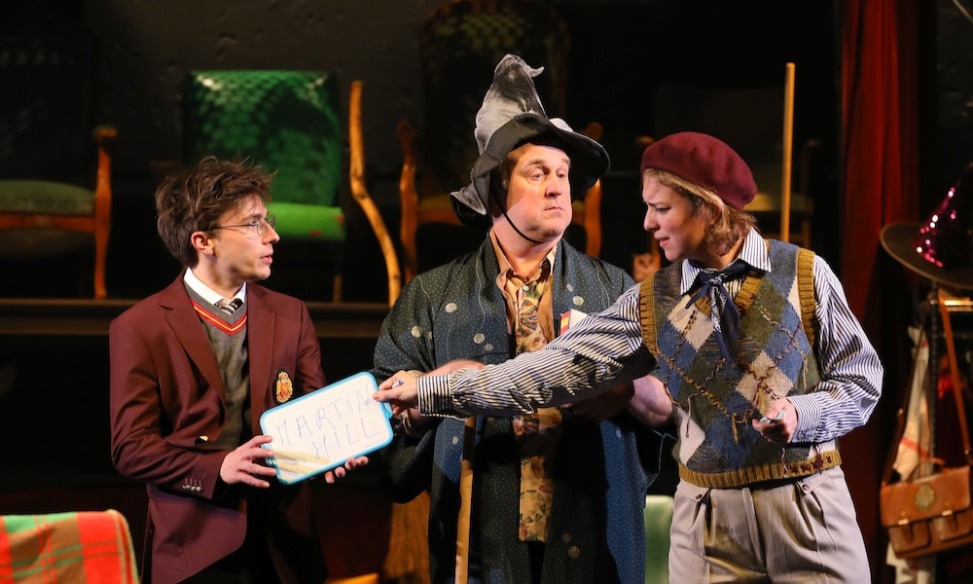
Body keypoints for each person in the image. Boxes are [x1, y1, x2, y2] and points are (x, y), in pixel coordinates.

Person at [376, 131, 884, 582]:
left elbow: (862, 380)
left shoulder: (802, 273)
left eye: (661, 209)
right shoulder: (652, 301)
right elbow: (546, 373)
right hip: (708, 525)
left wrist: (802, 413)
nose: (647, 223)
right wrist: (433, 389)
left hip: (804, 506)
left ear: (707, 208)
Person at [372, 54, 672, 584]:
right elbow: (383, 420)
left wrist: (625, 387)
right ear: (496, 191)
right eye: (538, 174)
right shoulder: (433, 295)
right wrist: (431, 392)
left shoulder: (613, 289)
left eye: (563, 175)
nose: (558, 187)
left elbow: (671, 406)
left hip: (590, 532)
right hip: (480, 541)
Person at [109, 156, 366, 584]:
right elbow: (131, 448)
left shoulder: (292, 314)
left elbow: (310, 409)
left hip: (283, 545)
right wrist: (218, 468)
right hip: (195, 548)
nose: (272, 235)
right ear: (204, 241)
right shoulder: (140, 326)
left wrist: (329, 450)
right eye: (252, 224)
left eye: (268, 220)